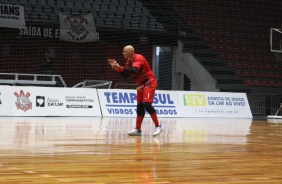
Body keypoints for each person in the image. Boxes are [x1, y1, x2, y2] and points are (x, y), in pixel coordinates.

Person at [108, 45, 163, 136]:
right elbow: (125, 76)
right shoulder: (129, 61)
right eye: (123, 51)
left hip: (149, 82)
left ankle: (158, 125)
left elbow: (134, 70)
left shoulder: (139, 58)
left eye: (125, 51)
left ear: (131, 52)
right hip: (141, 85)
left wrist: (119, 67)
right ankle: (138, 130)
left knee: (147, 104)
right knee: (140, 106)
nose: (123, 53)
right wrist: (116, 68)